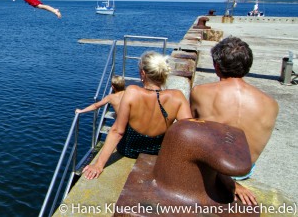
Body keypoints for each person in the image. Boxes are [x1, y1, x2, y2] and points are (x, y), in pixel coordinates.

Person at [190, 36, 279, 206]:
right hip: (244, 169)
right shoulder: (271, 104)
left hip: (213, 168)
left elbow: (195, 131)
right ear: (247, 66)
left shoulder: (201, 92)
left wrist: (227, 179)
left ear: (217, 66)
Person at [82, 51, 192, 180]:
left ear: (143, 74)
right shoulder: (177, 96)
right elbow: (188, 131)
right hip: (157, 153)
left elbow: (118, 131)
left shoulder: (132, 92)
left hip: (128, 151)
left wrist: (98, 165)